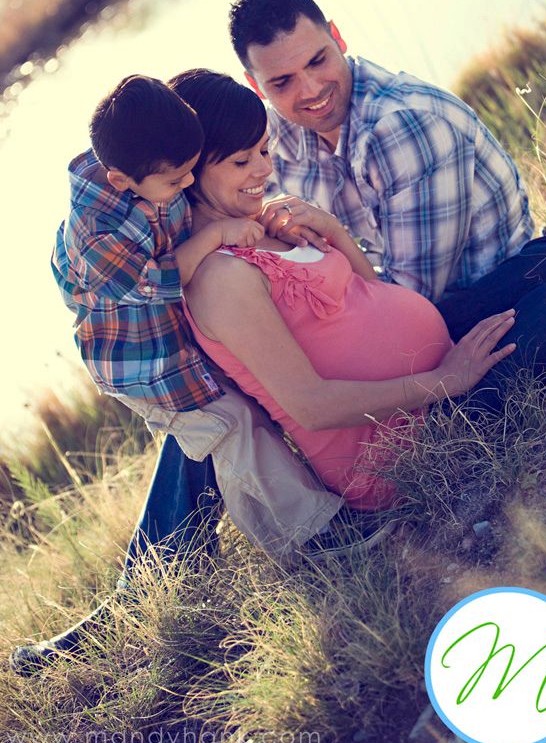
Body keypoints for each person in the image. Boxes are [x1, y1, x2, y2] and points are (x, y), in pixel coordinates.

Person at [10, 74, 344, 677]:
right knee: (229, 426)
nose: (188, 187)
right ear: (124, 179)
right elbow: (145, 279)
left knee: (214, 434)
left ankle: (142, 594)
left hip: (170, 350)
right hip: (145, 363)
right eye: (237, 160)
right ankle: (309, 539)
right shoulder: (106, 225)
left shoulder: (154, 152)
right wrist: (215, 233)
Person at [168, 69, 546, 506]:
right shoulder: (220, 278)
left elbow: (370, 294)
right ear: (188, 172)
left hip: (435, 368)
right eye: (242, 162)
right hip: (406, 446)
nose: (264, 169)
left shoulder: (259, 223)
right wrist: (445, 380)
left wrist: (333, 230)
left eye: (264, 149)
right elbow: (312, 407)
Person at [226, 0, 546, 401]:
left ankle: (445, 412)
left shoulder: (401, 127)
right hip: (397, 305)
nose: (309, 90)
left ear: (337, 37)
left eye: (317, 60)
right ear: (257, 86)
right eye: (282, 82)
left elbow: (409, 302)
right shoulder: (275, 136)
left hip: (473, 293)